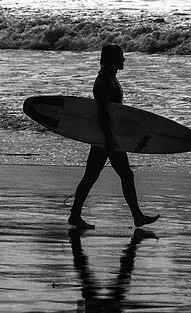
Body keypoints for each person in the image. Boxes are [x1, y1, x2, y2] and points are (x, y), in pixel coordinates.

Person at [68, 44, 159, 229]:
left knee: (100, 176)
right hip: (105, 139)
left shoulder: (110, 79)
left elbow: (115, 113)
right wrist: (109, 138)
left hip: (108, 138)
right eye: (121, 56)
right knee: (113, 175)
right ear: (112, 59)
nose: (124, 60)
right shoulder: (103, 82)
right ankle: (136, 216)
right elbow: (102, 114)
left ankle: (76, 215)